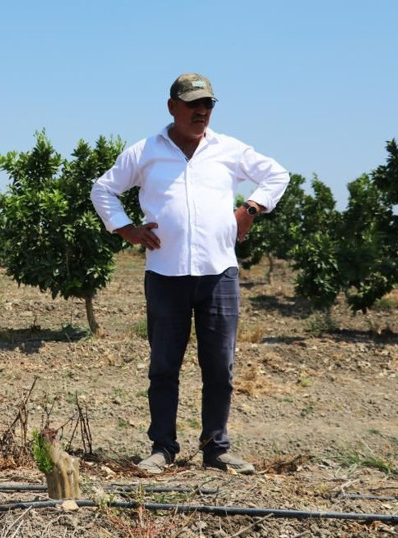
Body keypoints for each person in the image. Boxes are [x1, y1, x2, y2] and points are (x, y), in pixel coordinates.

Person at [90, 73, 289, 475]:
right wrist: (126, 229)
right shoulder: (145, 151)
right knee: (164, 367)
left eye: (208, 104)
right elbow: (103, 189)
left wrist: (250, 209)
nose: (201, 111)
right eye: (193, 104)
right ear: (172, 107)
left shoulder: (228, 149)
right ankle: (162, 448)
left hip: (219, 273)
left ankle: (216, 449)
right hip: (165, 274)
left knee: (219, 367)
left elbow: (277, 175)